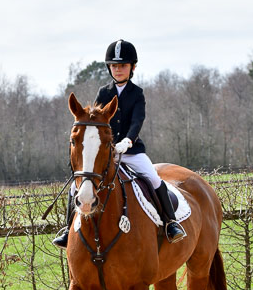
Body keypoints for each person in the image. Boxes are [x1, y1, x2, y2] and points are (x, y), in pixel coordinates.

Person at [53, 39, 186, 247]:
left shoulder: (137, 93)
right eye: (114, 66)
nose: (118, 70)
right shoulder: (104, 93)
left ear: (132, 67)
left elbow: (137, 121)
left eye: (123, 65)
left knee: (153, 178)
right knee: (74, 187)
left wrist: (127, 141)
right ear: (109, 68)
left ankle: (171, 223)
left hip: (131, 151)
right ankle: (68, 228)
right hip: (105, 153)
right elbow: (95, 121)